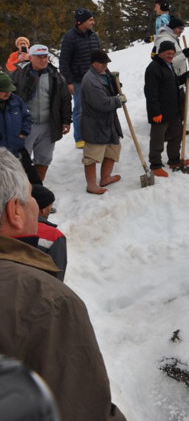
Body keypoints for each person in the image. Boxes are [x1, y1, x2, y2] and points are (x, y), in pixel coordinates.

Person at [0, 148, 127, 421]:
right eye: (30, 197)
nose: (36, 205)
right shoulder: (46, 301)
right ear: (15, 211)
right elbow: (85, 411)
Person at [10, 44, 71, 182]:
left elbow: (65, 98)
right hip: (25, 126)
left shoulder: (55, 75)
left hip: (49, 124)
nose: (43, 60)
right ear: (30, 57)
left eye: (45, 57)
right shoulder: (18, 75)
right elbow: (8, 99)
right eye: (39, 57)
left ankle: (37, 189)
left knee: (44, 159)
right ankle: (22, 192)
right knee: (21, 160)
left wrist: (66, 120)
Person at [81, 50, 125, 195]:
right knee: (92, 154)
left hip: (109, 120)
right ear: (93, 63)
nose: (105, 65)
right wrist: (117, 100)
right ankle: (91, 185)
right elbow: (102, 103)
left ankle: (105, 178)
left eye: (107, 62)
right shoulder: (90, 81)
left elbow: (108, 91)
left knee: (112, 148)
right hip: (95, 122)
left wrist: (115, 83)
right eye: (102, 63)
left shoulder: (104, 73)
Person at [144, 41, 189, 178]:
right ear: (161, 53)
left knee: (176, 135)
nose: (171, 55)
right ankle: (156, 165)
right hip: (160, 111)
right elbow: (151, 92)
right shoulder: (154, 68)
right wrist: (155, 112)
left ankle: (174, 160)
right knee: (158, 139)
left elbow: (172, 84)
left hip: (173, 109)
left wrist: (184, 78)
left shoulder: (169, 66)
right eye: (168, 53)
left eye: (172, 53)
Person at [59, 8, 101, 149]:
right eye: (90, 20)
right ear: (81, 22)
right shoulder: (70, 37)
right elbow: (63, 62)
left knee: (96, 107)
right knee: (80, 110)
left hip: (95, 79)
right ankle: (80, 138)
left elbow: (100, 57)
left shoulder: (93, 36)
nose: (93, 22)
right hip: (78, 81)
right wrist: (69, 82)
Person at [31, 184, 67, 282]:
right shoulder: (54, 236)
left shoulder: (7, 227)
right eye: (49, 208)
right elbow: (57, 275)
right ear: (42, 210)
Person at [0, 72, 31, 158]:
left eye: (9, 90)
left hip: (18, 149)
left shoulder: (16, 100)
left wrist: (24, 131)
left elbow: (26, 117)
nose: (8, 93)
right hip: (2, 155)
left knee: (30, 171)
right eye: (4, 90)